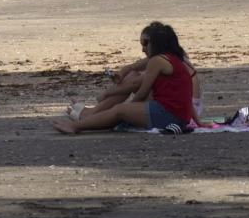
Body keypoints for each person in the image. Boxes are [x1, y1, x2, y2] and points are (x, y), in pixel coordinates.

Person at [52, 22, 196, 134]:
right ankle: (92, 116)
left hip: (169, 115)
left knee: (119, 110)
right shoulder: (170, 58)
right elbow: (133, 71)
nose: (143, 49)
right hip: (175, 113)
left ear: (157, 43)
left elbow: (142, 92)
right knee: (121, 108)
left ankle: (76, 126)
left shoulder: (157, 61)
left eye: (146, 44)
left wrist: (127, 108)